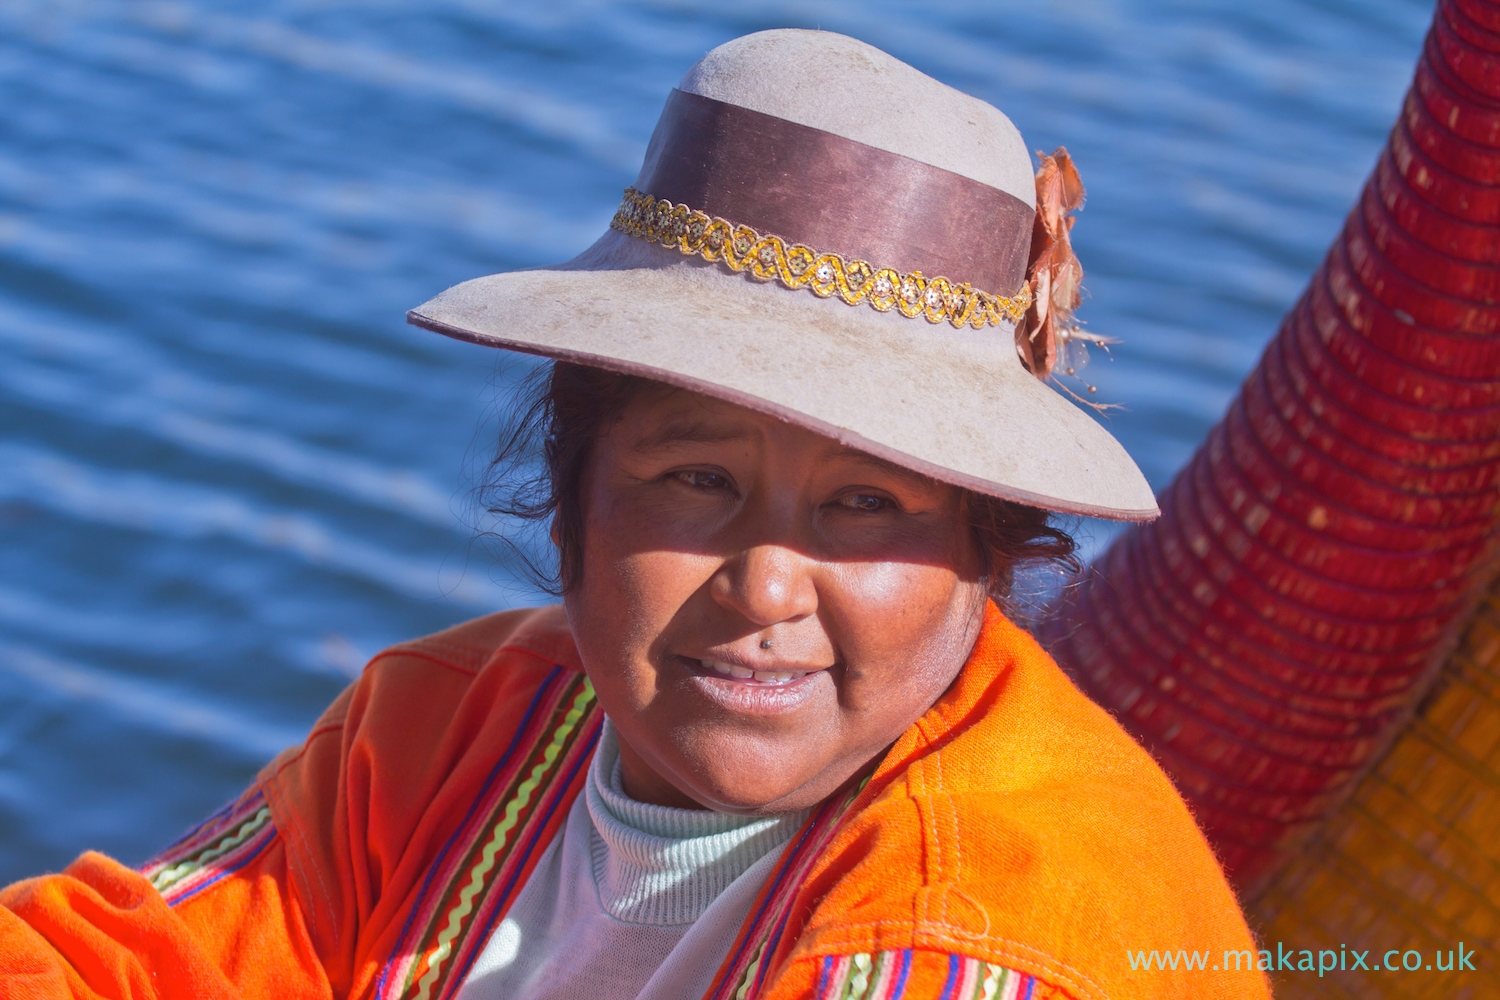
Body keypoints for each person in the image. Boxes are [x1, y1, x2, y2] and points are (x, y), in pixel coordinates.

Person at [0, 29, 1270, 1000]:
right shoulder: (450, 729)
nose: (769, 586)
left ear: (981, 559)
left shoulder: (991, 933)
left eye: (867, 503)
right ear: (574, 508)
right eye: (698, 480)